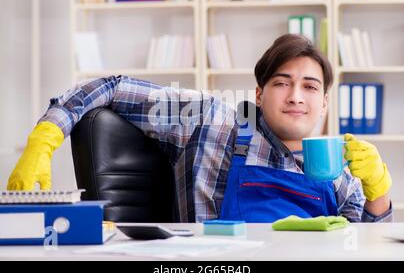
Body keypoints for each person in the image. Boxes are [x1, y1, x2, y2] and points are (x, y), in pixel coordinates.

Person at [7, 34, 392, 223]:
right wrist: (44, 140)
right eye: (281, 82)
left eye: (310, 87)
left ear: (324, 103)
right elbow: (112, 87)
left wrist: (380, 193)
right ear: (259, 94)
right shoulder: (212, 119)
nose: (295, 96)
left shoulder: (340, 167)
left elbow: (366, 243)